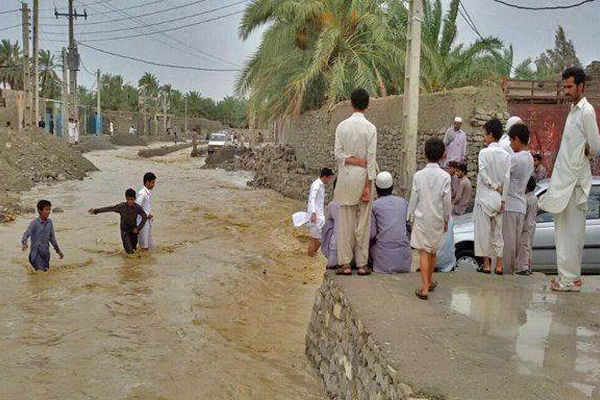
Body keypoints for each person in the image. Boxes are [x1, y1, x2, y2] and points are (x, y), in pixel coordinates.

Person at [538, 67, 600, 292]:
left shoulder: (586, 111)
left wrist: (584, 152)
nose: (566, 90)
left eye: (570, 86)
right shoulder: (572, 110)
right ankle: (566, 278)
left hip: (575, 182)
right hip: (564, 181)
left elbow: (595, 146)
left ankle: (571, 280)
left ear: (581, 86)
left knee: (573, 233)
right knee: (562, 232)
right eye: (564, 86)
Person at [333, 88, 377, 277]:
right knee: (363, 223)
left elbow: (338, 154)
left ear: (351, 103)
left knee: (345, 223)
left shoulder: (341, 126)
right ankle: (361, 264)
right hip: (363, 178)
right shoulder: (370, 128)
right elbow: (371, 158)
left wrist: (352, 160)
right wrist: (368, 185)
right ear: (367, 105)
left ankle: (344, 264)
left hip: (346, 178)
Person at [408, 138, 452, 300]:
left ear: (425, 154)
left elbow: (414, 199)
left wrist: (410, 215)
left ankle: (424, 287)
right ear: (442, 155)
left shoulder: (418, 176)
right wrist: (447, 219)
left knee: (424, 252)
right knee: (433, 251)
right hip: (438, 218)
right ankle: (430, 280)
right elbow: (446, 202)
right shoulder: (445, 177)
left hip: (422, 218)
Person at [474, 118, 511, 275]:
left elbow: (483, 173)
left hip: (484, 198)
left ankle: (487, 264)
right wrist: (503, 198)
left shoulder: (484, 153)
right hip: (499, 199)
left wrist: (493, 186)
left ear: (490, 134)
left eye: (485, 134)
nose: (484, 137)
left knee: (484, 232)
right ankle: (499, 266)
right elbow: (507, 179)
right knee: (498, 233)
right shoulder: (506, 155)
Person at [502, 123, 534, 274]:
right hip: (520, 205)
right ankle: (512, 272)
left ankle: (507, 274)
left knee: (507, 245)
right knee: (515, 244)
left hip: (510, 204)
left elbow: (503, 176)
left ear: (516, 139)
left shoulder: (515, 159)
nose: (510, 144)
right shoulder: (530, 158)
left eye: (511, 140)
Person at [369, 171, 412, 274]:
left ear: (376, 188)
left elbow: (372, 234)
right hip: (404, 260)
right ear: (392, 187)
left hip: (384, 262)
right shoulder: (403, 202)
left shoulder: (374, 206)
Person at [88, 188, 148, 254]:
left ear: (135, 199)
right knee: (130, 252)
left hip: (133, 230)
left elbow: (144, 217)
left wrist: (138, 228)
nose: (129, 202)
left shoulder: (137, 207)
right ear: (125, 198)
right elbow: (110, 208)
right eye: (128, 199)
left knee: (134, 251)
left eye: (131, 199)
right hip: (124, 230)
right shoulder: (121, 206)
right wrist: (96, 211)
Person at [21, 200, 64, 271]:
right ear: (40, 211)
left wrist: (58, 251)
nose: (48, 212)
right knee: (41, 273)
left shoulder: (49, 223)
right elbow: (26, 234)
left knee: (45, 274)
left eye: (49, 209)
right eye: (46, 209)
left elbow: (52, 239)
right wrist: (24, 243)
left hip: (46, 254)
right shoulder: (34, 223)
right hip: (35, 254)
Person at [307, 168, 335, 256]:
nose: (330, 180)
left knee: (320, 238)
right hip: (315, 216)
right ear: (325, 177)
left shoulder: (321, 185)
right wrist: (313, 213)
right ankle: (310, 257)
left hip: (319, 215)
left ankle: (312, 255)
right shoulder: (316, 185)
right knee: (313, 238)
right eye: (329, 178)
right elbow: (312, 199)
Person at [516, 176, 538, 275]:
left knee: (524, 246)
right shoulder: (534, 198)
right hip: (532, 224)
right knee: (528, 246)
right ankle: (528, 266)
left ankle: (523, 267)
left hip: (526, 225)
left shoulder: (526, 199)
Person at [321, 183, 340, 269]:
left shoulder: (333, 205)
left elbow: (327, 220)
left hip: (336, 250)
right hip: (357, 254)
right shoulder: (358, 205)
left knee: (329, 224)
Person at [137, 172, 156, 251]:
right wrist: (146, 215)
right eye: (152, 183)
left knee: (151, 246)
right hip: (142, 223)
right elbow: (137, 206)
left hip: (147, 222)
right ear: (147, 182)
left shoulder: (147, 193)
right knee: (144, 247)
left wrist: (149, 214)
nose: (154, 185)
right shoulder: (142, 194)